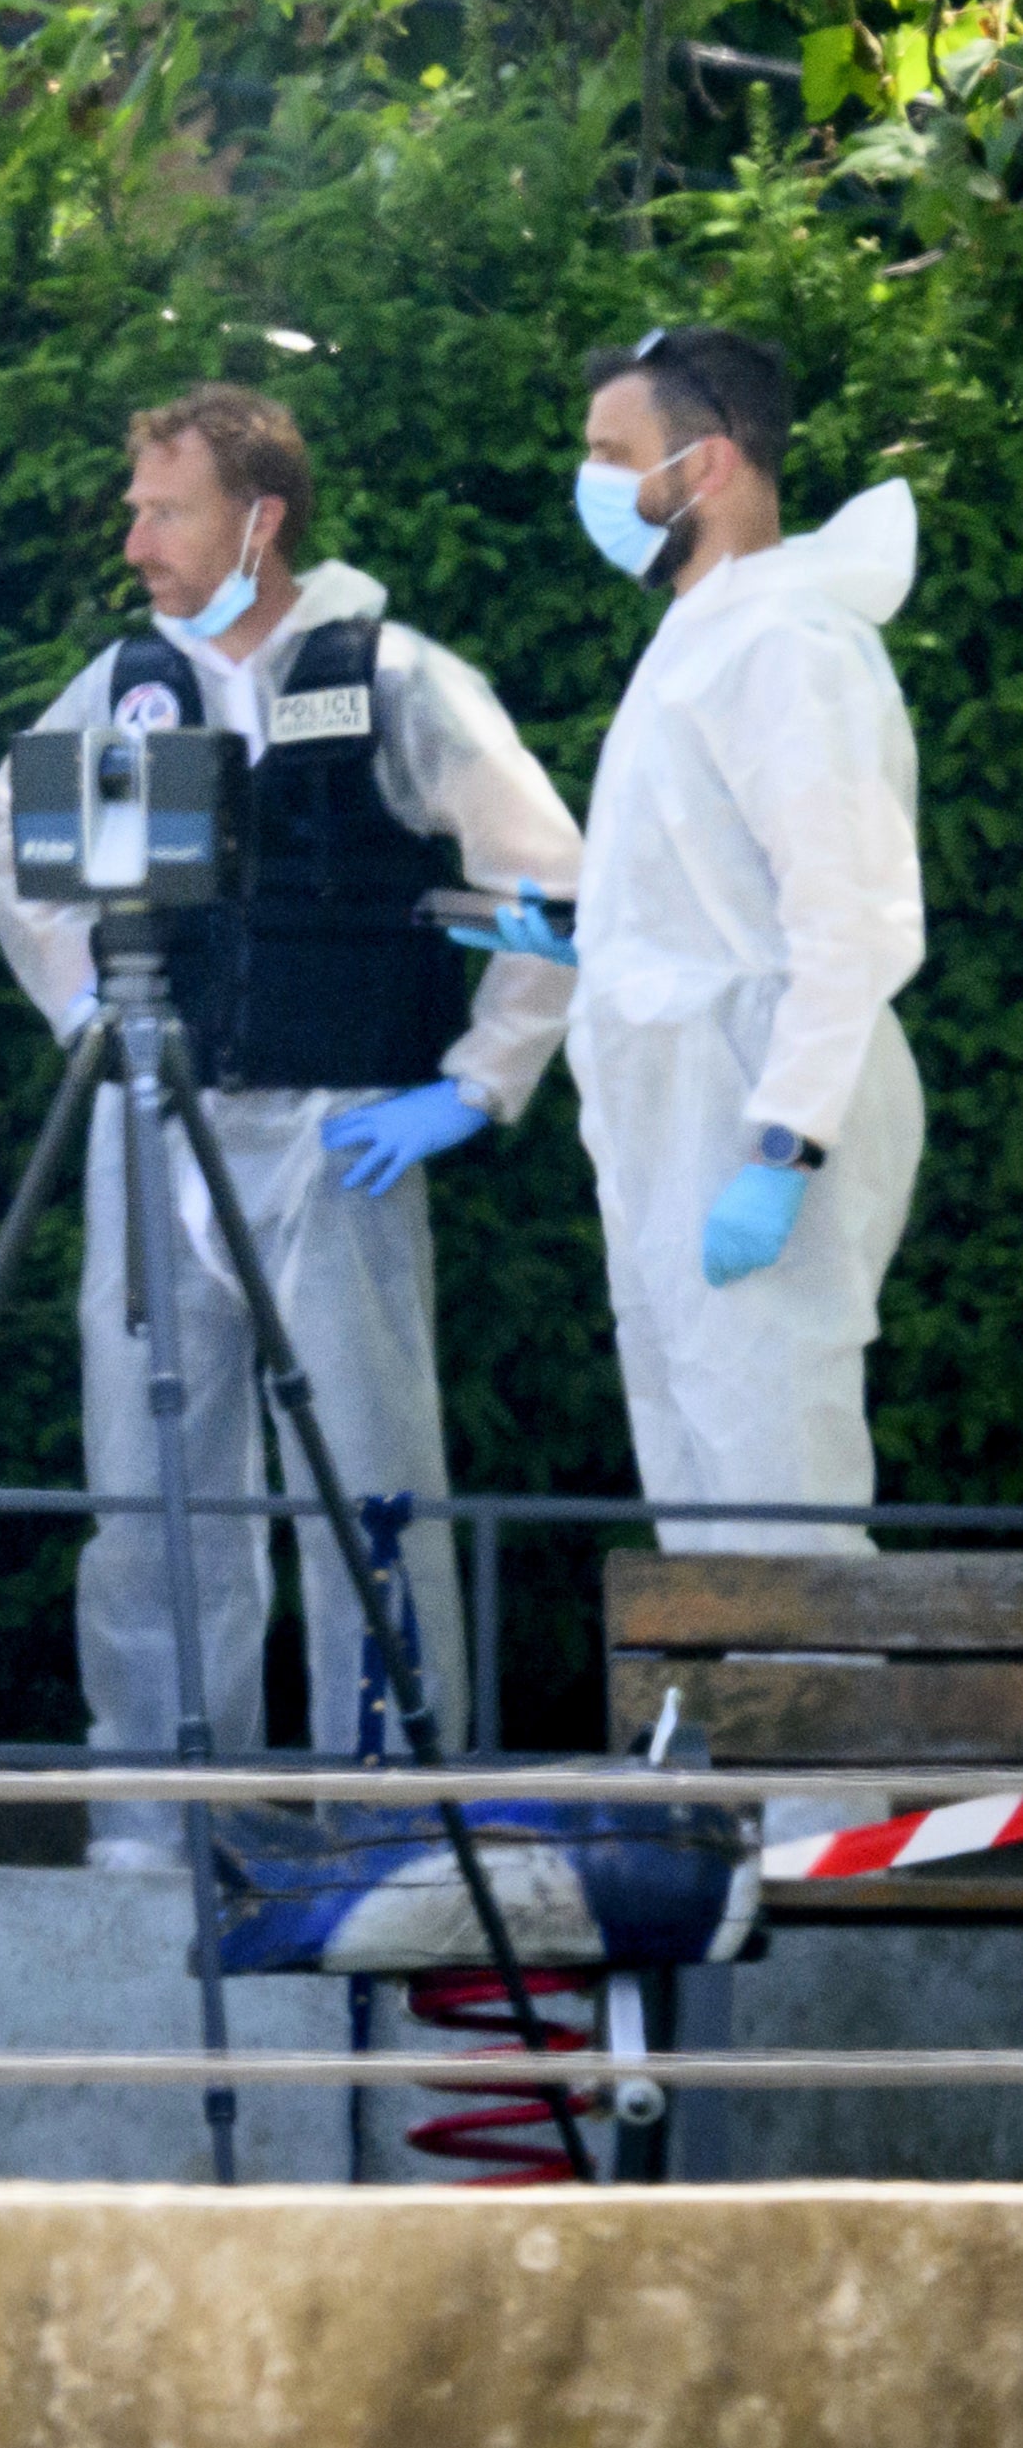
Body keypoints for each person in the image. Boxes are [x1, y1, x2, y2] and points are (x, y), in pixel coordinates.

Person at [0, 386, 583, 1854]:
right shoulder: (133, 683)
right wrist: (86, 1017)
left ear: (259, 519)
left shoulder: (392, 677)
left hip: (344, 1122)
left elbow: (550, 886)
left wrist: (477, 1081)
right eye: (132, 507)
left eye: (160, 509)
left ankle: (388, 1817)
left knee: (366, 1478)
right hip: (158, 1121)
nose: (132, 540)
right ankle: (162, 1821)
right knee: (151, 1483)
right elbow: (13, 851)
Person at [497, 326, 923, 1554]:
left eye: (613, 453)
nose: (594, 483)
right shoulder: (705, 634)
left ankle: (808, 1723)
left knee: (770, 1463)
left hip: (755, 1103)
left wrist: (788, 1145)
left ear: (711, 465)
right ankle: (729, 1727)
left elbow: (849, 917)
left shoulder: (789, 645)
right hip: (686, 1095)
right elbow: (727, 884)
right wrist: (606, 937)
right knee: (698, 1458)